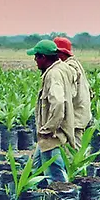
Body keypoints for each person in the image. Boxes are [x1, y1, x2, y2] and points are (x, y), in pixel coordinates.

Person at [28, 39, 79, 183]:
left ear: (43, 58)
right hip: (52, 134)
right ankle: (38, 198)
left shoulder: (53, 74)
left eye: (36, 56)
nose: (35, 60)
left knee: (55, 175)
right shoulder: (64, 68)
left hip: (53, 136)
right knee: (36, 168)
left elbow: (57, 103)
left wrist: (49, 128)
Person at [54, 37, 93, 142]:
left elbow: (70, 93)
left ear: (60, 54)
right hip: (79, 116)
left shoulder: (69, 68)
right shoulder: (74, 63)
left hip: (75, 118)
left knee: (73, 152)